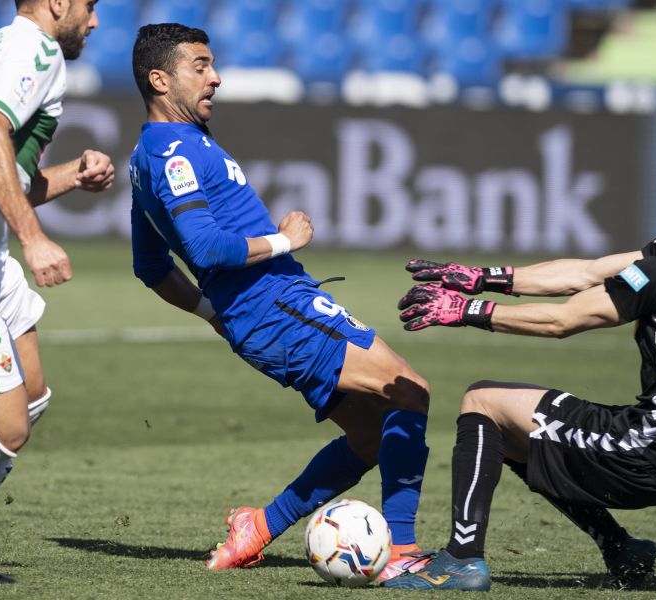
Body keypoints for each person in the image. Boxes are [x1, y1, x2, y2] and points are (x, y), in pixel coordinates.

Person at [385, 152, 656, 590]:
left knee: (482, 402)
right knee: (516, 431)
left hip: (645, 453)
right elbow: (586, 273)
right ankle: (618, 547)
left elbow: (564, 320)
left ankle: (461, 561)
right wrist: (479, 277)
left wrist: (466, 310)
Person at [128, 23, 431, 582]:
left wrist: (215, 316)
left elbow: (149, 266)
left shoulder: (151, 155)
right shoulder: (173, 152)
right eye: (200, 66)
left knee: (369, 435)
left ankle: (258, 528)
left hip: (266, 313)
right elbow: (204, 248)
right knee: (409, 391)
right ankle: (404, 552)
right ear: (160, 79)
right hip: (277, 307)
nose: (215, 77)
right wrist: (285, 241)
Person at [0, 0, 113, 584]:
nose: (95, 21)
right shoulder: (35, 49)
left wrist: (69, 180)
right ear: (57, 2)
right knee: (6, 430)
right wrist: (33, 239)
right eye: (89, 6)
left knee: (31, 397)